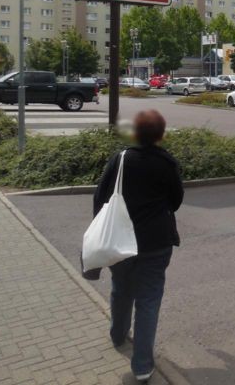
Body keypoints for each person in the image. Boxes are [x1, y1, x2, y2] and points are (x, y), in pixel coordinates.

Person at [93, 109, 184, 383]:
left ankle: (118, 335)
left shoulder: (120, 159)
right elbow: (176, 200)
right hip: (155, 243)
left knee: (121, 290)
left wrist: (101, 230)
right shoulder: (167, 163)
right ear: (160, 134)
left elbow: (100, 197)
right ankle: (143, 366)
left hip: (120, 241)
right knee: (148, 301)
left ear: (135, 133)